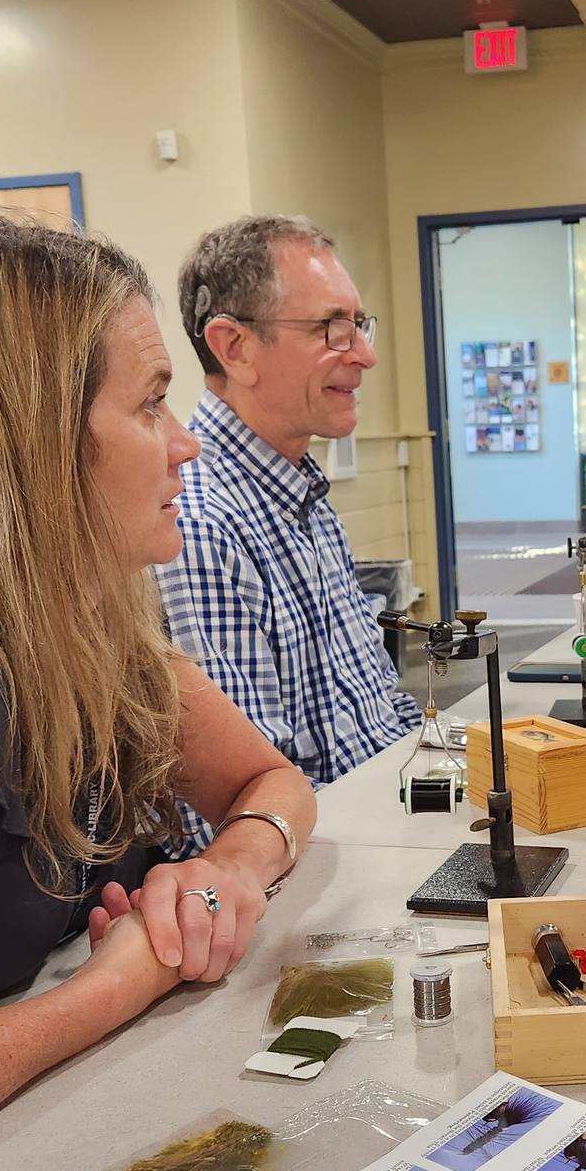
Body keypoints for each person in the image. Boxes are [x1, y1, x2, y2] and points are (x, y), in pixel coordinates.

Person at [0, 215, 317, 1171]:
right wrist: (117, 985)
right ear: (29, 444)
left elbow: (273, 781)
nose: (185, 447)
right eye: (152, 405)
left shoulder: (88, 636)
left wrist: (220, 873)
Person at [159, 216, 419, 841]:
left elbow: (380, 705)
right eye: (333, 328)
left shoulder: (303, 496)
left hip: (387, 817)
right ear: (234, 347)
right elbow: (238, 813)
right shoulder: (200, 526)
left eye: (359, 324)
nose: (364, 353)